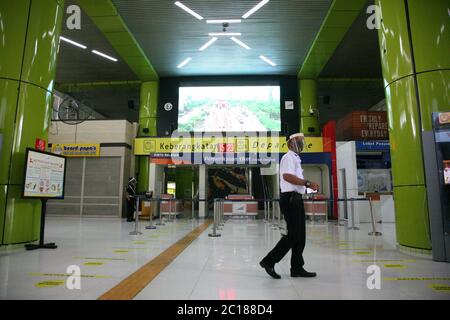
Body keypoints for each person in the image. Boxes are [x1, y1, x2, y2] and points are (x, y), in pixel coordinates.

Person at [259, 133, 320, 279]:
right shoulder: (288, 157)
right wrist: (307, 183)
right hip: (290, 199)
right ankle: (269, 261)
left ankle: (297, 268)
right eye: (299, 141)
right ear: (291, 143)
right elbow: (286, 176)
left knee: (300, 236)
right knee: (293, 235)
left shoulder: (296, 159)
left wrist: (309, 187)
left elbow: (294, 181)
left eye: (302, 141)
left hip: (296, 199)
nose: (302, 144)